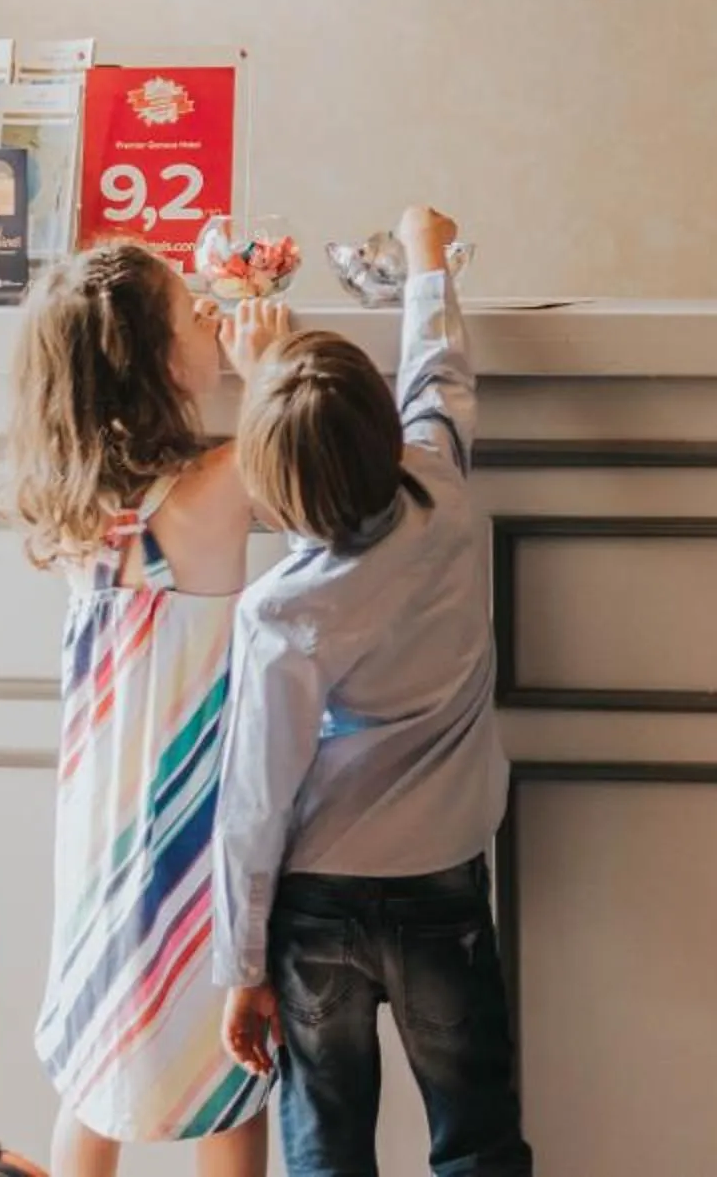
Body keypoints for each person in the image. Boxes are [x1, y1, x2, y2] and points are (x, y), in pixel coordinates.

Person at [213, 207, 531, 1177]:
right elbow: (441, 371)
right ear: (387, 431)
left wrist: (243, 965)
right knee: (475, 1135)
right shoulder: (440, 486)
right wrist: (428, 258)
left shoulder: (279, 614)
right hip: (441, 877)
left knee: (326, 1146)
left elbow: (255, 803)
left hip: (317, 906)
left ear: (270, 494)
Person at [6, 243, 289, 1174]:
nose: (213, 316)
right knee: (228, 1076)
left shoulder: (83, 510)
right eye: (192, 312)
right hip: (193, 837)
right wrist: (268, 366)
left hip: (101, 837)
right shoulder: (208, 496)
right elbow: (294, 443)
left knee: (94, 1075)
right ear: (164, 364)